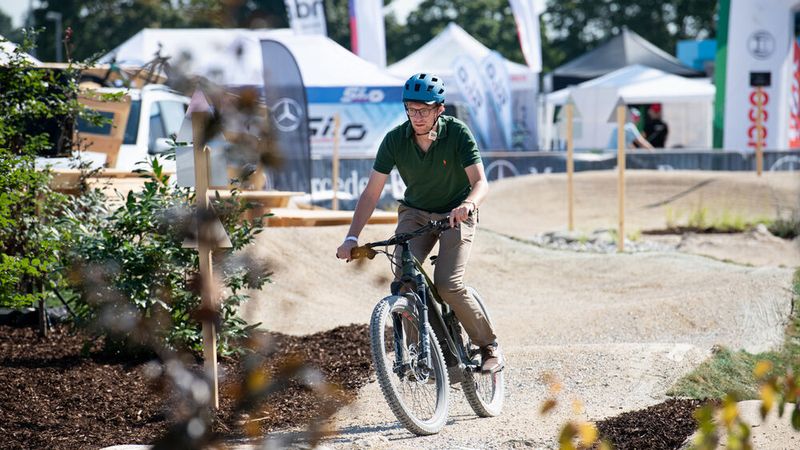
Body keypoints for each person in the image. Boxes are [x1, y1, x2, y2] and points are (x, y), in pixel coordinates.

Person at [335, 73, 503, 373]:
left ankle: (487, 345)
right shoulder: (395, 140)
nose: (417, 116)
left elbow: (481, 183)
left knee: (448, 284)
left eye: (424, 110)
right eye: (411, 109)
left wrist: (467, 205)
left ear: (440, 109)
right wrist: (351, 237)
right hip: (416, 212)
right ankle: (430, 355)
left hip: (456, 212)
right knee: (405, 281)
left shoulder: (457, 133)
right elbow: (371, 193)